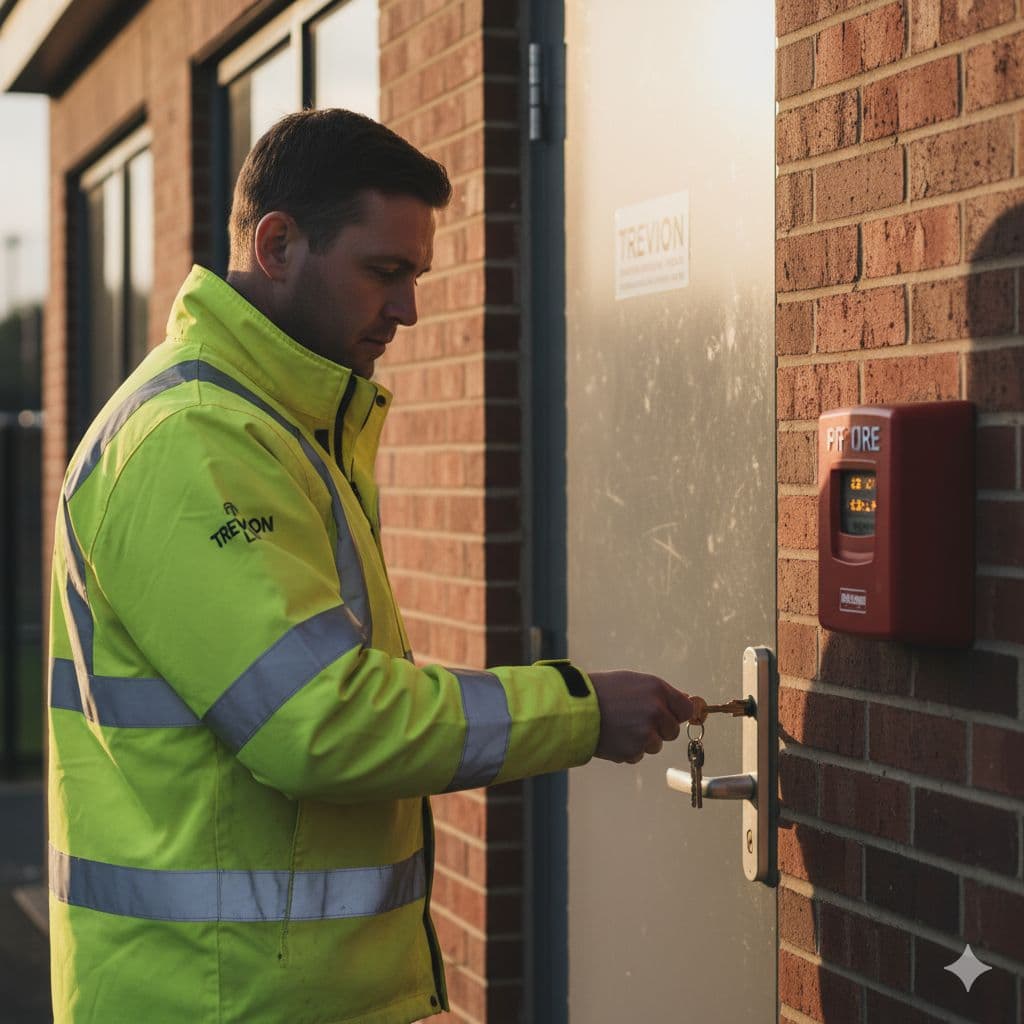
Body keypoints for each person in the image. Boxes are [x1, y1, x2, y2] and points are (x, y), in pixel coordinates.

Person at [47, 108, 695, 1024]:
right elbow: (319, 722)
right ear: (277, 244)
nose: (409, 308)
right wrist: (576, 710)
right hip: (219, 1002)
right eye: (385, 271)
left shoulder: (273, 425)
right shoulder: (195, 440)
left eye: (416, 275)